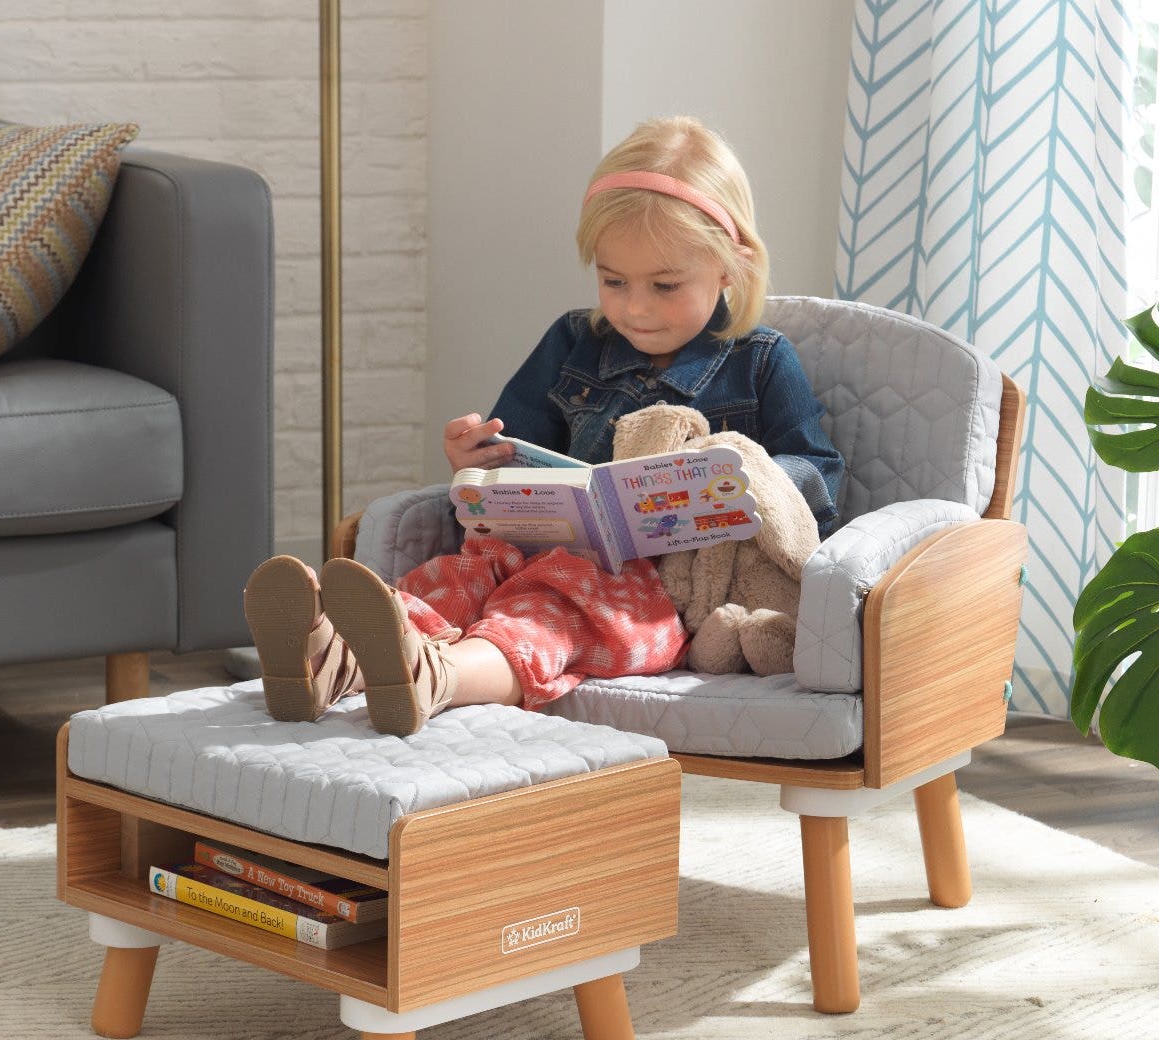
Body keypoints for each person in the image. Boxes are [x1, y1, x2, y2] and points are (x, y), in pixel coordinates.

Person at [244, 116, 844, 737]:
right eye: (614, 281)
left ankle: (440, 679)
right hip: (534, 548)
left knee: (548, 618)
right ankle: (332, 655)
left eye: (665, 286)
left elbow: (819, 476)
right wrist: (473, 459)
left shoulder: (761, 361)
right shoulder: (571, 341)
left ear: (730, 266)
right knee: (451, 579)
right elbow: (513, 453)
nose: (634, 306)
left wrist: (745, 475)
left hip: (655, 597)